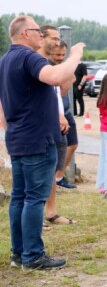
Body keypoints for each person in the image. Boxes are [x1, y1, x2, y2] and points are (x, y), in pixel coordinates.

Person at [0, 15, 85, 270]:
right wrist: (76, 55)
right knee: (35, 199)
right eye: (38, 30)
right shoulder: (29, 57)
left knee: (19, 197)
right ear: (25, 33)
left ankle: (19, 254)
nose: (41, 35)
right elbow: (56, 76)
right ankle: (33, 256)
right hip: (37, 139)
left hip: (18, 138)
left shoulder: (5, 60)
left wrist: (12, 128)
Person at [38, 26, 77, 227]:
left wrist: (61, 114)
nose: (57, 42)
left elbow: (57, 93)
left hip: (56, 122)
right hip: (40, 128)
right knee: (40, 173)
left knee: (52, 169)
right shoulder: (38, 64)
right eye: (54, 38)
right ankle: (39, 216)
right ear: (40, 37)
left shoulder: (47, 66)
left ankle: (50, 212)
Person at [52, 41, 80, 189]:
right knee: (60, 145)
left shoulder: (63, 67)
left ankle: (59, 176)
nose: (60, 57)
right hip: (58, 111)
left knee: (72, 144)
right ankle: (54, 179)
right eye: (58, 54)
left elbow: (72, 79)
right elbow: (61, 88)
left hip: (66, 110)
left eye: (63, 54)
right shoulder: (49, 68)